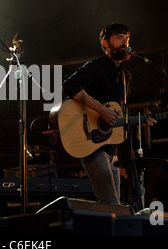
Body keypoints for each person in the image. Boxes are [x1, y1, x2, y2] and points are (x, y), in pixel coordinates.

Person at [62, 23, 156, 205]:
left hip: (110, 146)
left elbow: (119, 112)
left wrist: (140, 121)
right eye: (119, 37)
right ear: (105, 43)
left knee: (114, 203)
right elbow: (69, 85)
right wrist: (101, 110)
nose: (125, 42)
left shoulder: (125, 76)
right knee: (110, 201)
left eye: (127, 38)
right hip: (89, 142)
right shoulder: (95, 67)